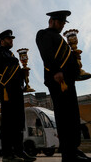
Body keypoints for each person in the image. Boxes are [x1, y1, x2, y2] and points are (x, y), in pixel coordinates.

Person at [36, 10, 91, 162]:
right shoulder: (43, 34)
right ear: (51, 21)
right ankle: (68, 154)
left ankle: (74, 149)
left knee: (73, 116)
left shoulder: (61, 40)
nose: (61, 25)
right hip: (58, 80)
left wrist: (76, 63)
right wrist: (55, 71)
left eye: (63, 23)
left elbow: (67, 60)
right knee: (64, 116)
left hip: (69, 80)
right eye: (59, 22)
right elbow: (46, 53)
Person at [0, 30, 36, 162]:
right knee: (8, 122)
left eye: (12, 39)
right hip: (6, 90)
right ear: (2, 40)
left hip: (17, 90)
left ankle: (19, 151)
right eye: (8, 39)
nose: (11, 41)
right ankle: (7, 154)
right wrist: (16, 60)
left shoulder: (10, 54)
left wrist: (23, 73)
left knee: (18, 122)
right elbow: (0, 63)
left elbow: (15, 71)